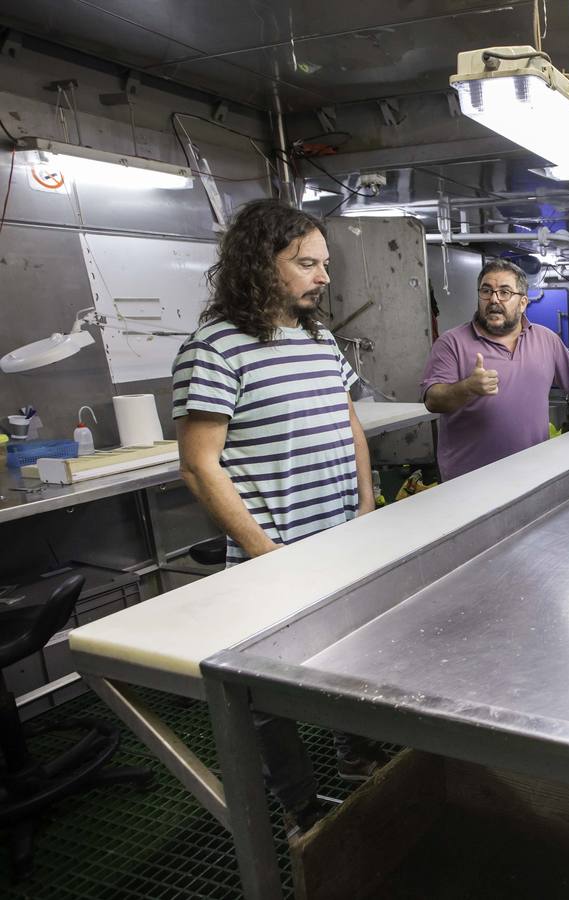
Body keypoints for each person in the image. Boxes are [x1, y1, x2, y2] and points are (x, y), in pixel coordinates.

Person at [171, 198, 386, 836]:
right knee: (271, 691)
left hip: (340, 539)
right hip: (275, 552)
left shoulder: (319, 337)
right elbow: (200, 465)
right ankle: (299, 805)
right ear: (261, 266)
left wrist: (367, 505)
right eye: (306, 264)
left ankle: (354, 754)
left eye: (324, 263)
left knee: (350, 654)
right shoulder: (213, 348)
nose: (323, 277)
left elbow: (349, 424)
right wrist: (265, 553)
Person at [421, 259, 569, 481]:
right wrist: (467, 388)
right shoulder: (452, 343)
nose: (494, 299)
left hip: (533, 468)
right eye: (486, 291)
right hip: (469, 477)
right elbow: (433, 400)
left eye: (505, 292)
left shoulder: (546, 339)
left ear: (523, 302)